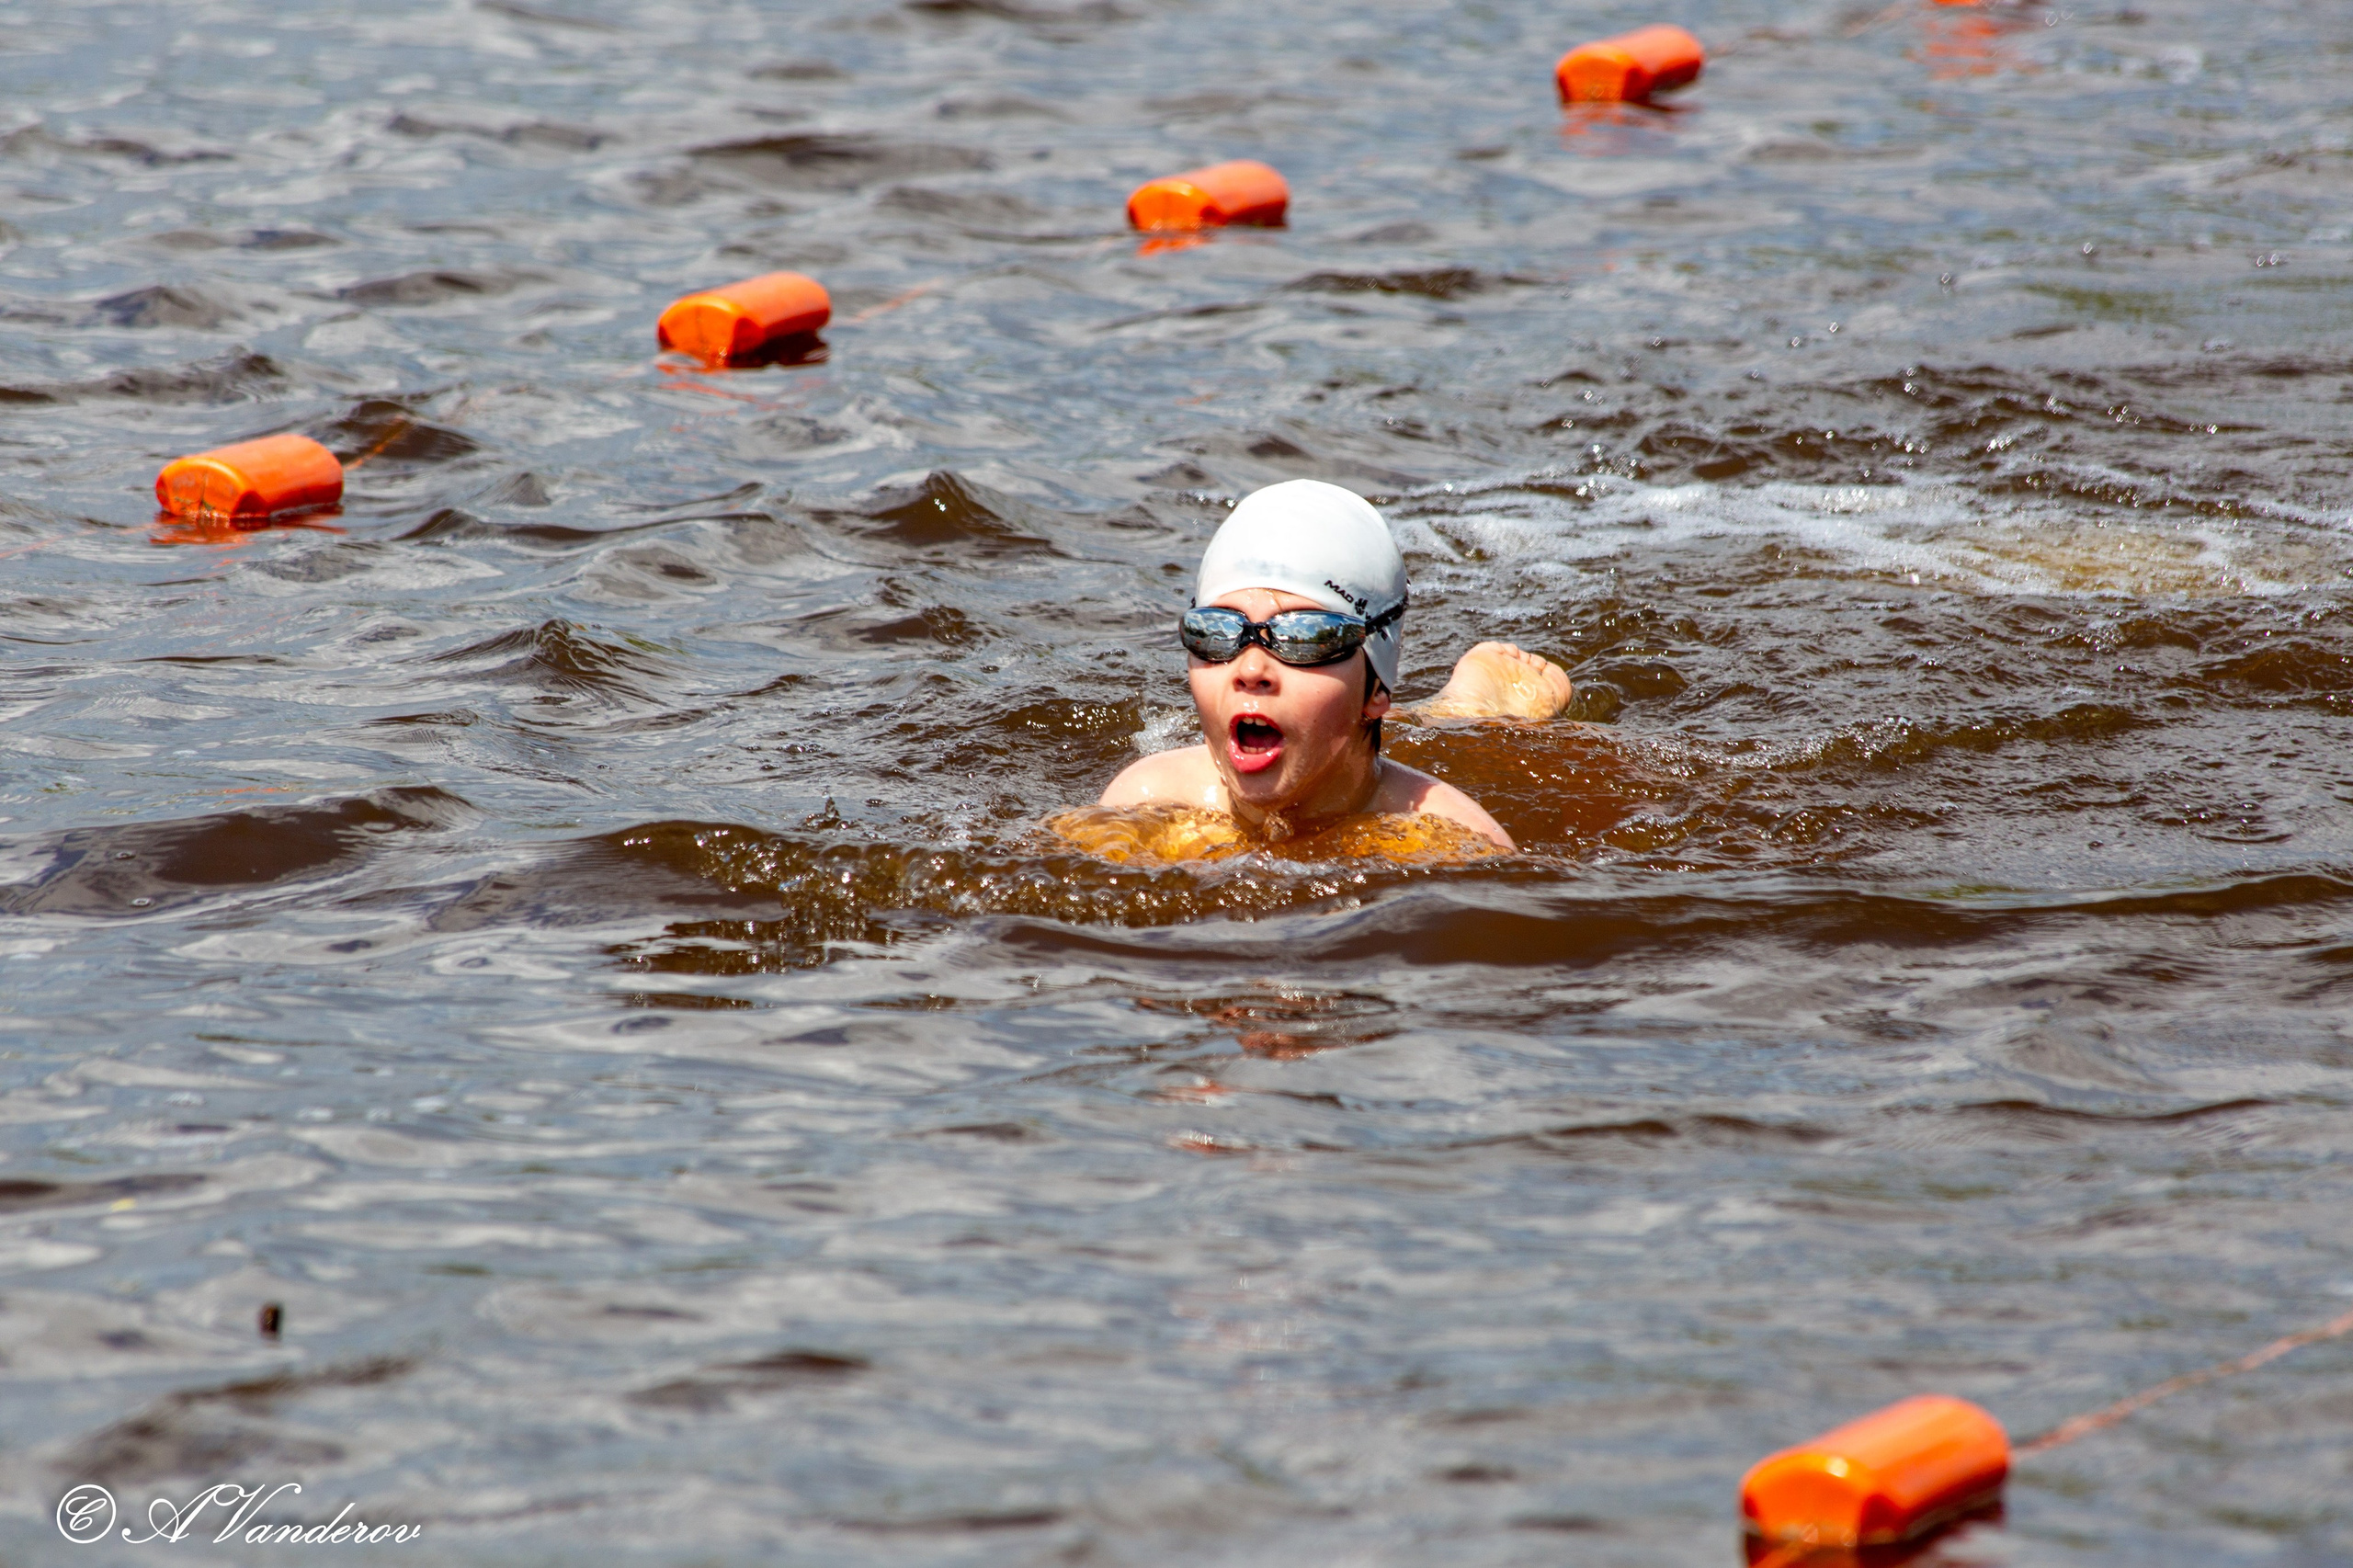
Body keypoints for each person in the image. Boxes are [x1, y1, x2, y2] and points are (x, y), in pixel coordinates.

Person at [1092, 479, 1572, 855]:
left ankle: (1467, 707)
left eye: (1305, 639)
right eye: (1217, 632)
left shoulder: (1451, 839)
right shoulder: (1149, 802)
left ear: (1377, 688)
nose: (1250, 668)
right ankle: (1458, 704)